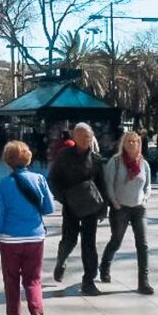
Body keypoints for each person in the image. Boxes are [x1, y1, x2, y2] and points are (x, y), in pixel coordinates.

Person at [0, 140, 53, 315]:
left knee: (11, 280)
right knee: (33, 279)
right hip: (35, 237)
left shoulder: (3, 184)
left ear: (7, 161)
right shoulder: (39, 179)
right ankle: (36, 311)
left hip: (10, 240)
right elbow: (48, 208)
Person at [47, 122, 108, 296]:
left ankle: (89, 280)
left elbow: (102, 185)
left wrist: (104, 207)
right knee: (70, 239)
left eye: (88, 137)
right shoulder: (63, 155)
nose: (85, 140)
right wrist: (63, 197)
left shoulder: (96, 159)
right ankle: (61, 259)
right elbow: (52, 179)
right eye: (81, 136)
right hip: (71, 205)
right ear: (74, 137)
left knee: (89, 244)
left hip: (90, 206)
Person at [100, 131, 154, 295]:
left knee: (143, 245)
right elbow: (108, 184)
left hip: (139, 208)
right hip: (120, 207)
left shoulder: (143, 163)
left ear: (139, 144)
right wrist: (114, 202)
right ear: (123, 143)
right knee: (116, 241)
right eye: (128, 141)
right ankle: (105, 265)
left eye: (135, 142)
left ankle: (143, 281)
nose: (132, 144)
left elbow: (148, 186)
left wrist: (145, 198)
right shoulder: (115, 162)